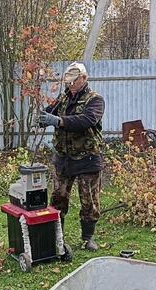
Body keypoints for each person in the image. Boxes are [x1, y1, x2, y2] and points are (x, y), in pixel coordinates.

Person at [38, 62, 105, 251]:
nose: (70, 85)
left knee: (89, 201)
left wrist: (58, 121)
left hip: (87, 159)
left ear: (84, 78)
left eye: (74, 82)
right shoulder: (63, 98)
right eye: (68, 82)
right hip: (63, 159)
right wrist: (44, 118)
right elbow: (50, 112)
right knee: (58, 198)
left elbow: (86, 120)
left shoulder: (95, 99)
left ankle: (88, 238)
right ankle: (58, 237)